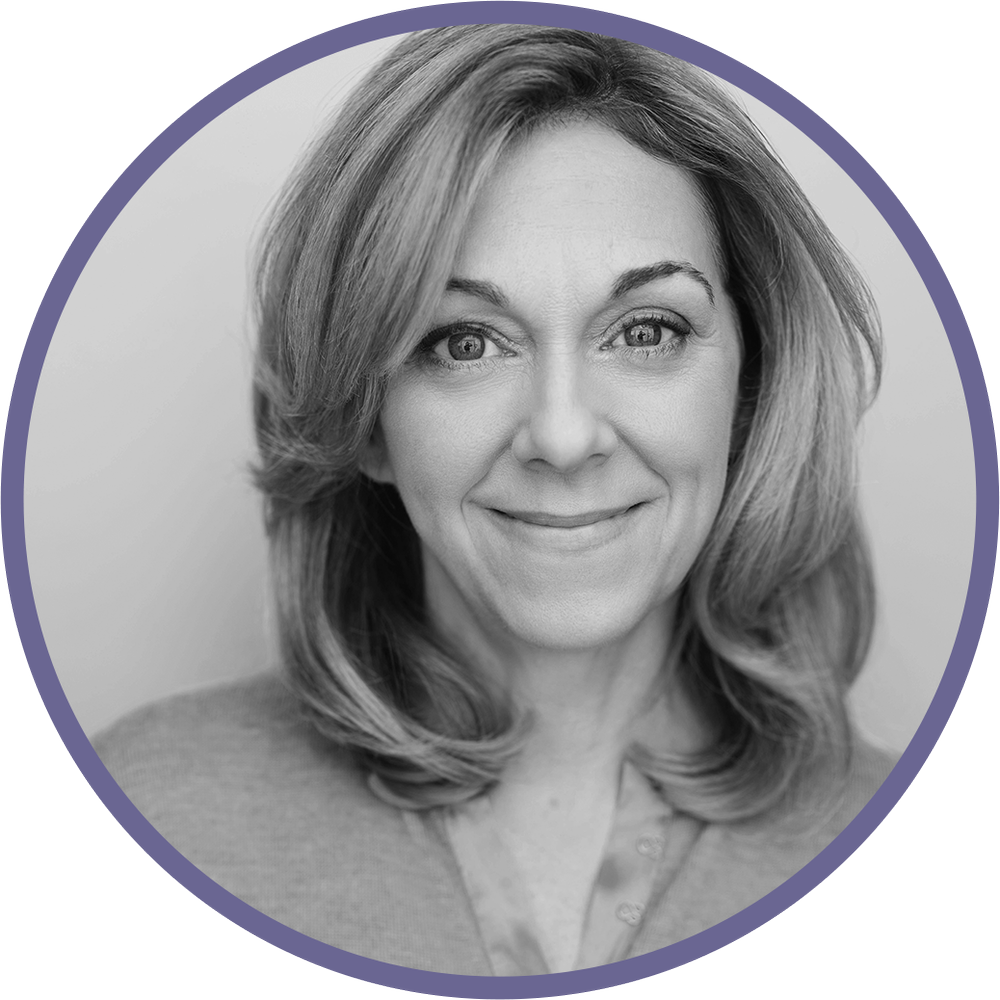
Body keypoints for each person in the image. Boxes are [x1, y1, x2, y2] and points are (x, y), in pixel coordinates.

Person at [95, 24, 895, 976]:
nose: (562, 437)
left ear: (750, 389)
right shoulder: (140, 816)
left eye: (645, 330)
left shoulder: (927, 862)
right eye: (464, 342)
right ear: (368, 419)